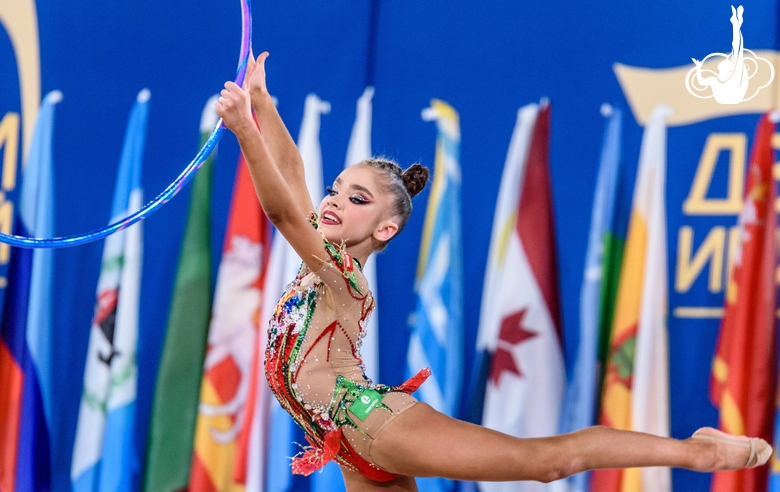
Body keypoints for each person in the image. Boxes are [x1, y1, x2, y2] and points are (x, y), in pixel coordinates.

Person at [214, 51, 772, 492]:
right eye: (336, 190)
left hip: (374, 423)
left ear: (384, 230)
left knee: (546, 462)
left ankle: (699, 452)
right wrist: (264, 105)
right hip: (341, 444)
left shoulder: (340, 272)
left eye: (356, 199)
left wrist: (244, 131)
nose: (333, 201)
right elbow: (292, 177)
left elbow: (282, 209)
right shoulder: (326, 248)